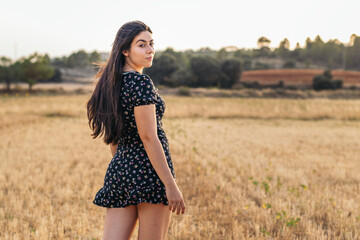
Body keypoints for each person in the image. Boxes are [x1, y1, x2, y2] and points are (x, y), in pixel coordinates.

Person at [86, 20, 186, 240]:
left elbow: (114, 138)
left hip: (120, 170)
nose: (150, 50)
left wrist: (125, 167)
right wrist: (171, 186)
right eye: (141, 45)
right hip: (150, 174)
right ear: (125, 50)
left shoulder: (111, 84)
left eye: (151, 44)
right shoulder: (140, 83)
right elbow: (149, 136)